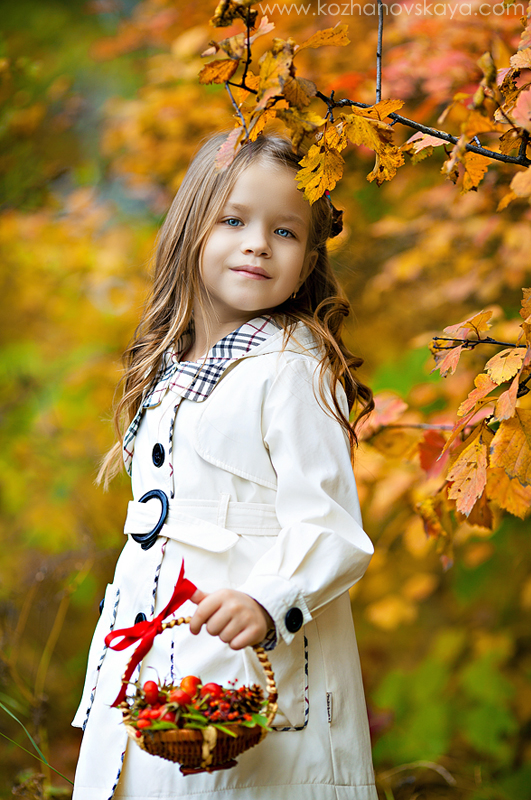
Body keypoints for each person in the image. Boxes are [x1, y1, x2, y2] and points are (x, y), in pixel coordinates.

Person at [71, 132, 379, 800]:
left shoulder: (291, 367)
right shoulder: (169, 366)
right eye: (234, 220)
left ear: (310, 256)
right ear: (192, 228)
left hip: (252, 674)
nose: (258, 244)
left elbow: (330, 528)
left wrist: (268, 600)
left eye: (285, 231)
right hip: (159, 673)